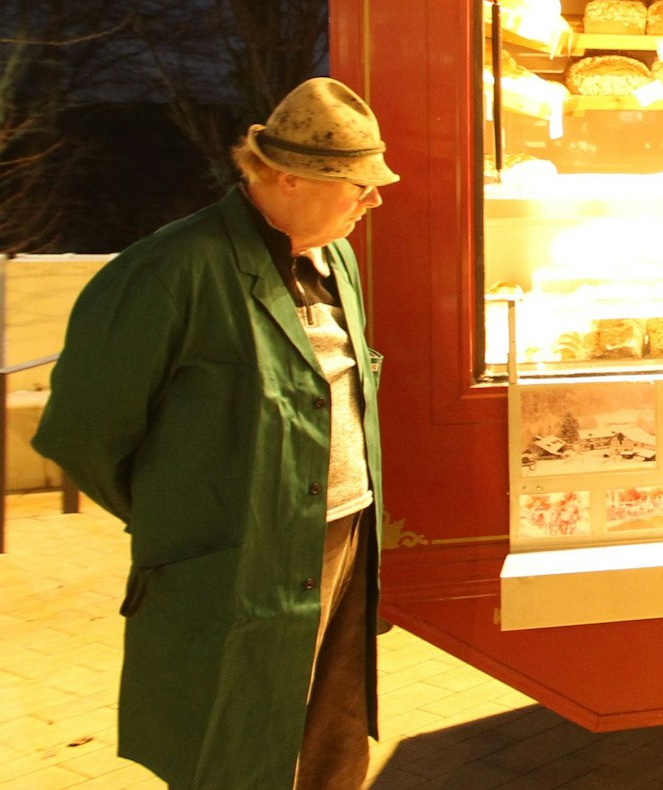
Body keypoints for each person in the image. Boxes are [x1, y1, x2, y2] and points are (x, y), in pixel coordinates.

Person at [32, 78, 398, 790]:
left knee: (330, 731)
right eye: (357, 183)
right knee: (234, 746)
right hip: (239, 554)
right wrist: (195, 515)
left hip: (346, 533)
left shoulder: (338, 259)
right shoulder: (173, 269)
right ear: (285, 177)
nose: (373, 199)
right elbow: (83, 430)